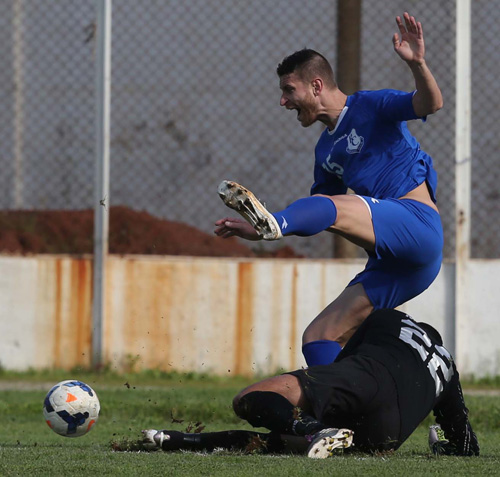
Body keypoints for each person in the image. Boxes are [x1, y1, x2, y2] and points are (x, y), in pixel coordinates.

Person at [214, 13, 444, 367]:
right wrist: (258, 230)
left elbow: (431, 104)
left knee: (332, 203)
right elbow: (319, 212)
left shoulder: (370, 105)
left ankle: (273, 222)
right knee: (318, 336)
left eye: (289, 91)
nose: (283, 102)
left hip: (418, 228)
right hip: (396, 265)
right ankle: (343, 415)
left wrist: (419, 64)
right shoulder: (325, 151)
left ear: (317, 86)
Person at [141, 309, 479, 458]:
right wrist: (440, 443)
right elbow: (465, 445)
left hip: (370, 377)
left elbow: (342, 364)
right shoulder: (447, 367)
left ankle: (316, 429)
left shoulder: (388, 318)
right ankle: (178, 439)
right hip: (388, 433)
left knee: (253, 396)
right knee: (280, 443)